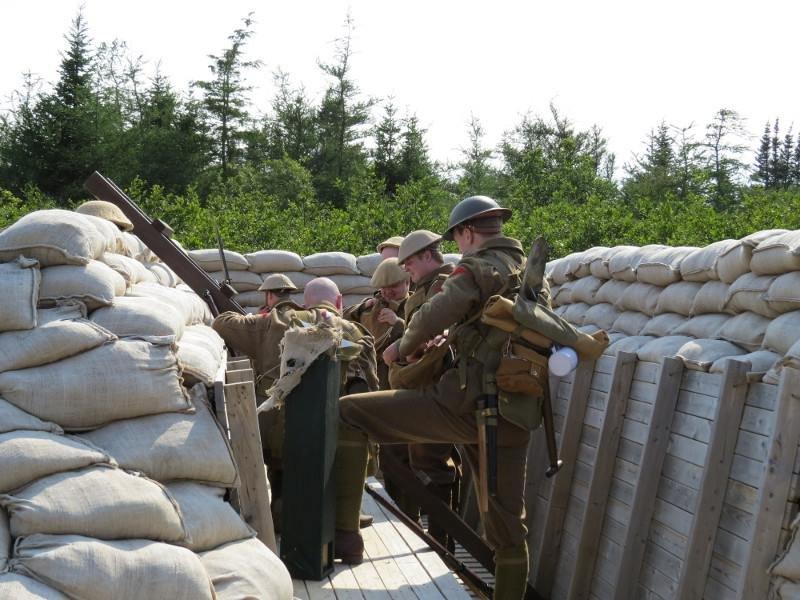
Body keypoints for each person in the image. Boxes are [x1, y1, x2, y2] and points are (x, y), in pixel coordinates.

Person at [339, 196, 544, 598]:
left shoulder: (477, 267)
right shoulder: (528, 272)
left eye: (458, 237)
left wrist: (401, 346)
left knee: (349, 413)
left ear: (467, 232)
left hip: (464, 403)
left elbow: (437, 312)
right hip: (515, 409)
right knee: (507, 525)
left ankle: (344, 535)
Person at [213, 278, 379, 563]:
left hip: (280, 442)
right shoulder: (357, 334)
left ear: (305, 302)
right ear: (339, 303)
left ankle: (282, 512)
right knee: (353, 437)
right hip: (337, 446)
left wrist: (261, 317)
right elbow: (371, 390)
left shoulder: (274, 322)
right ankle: (346, 532)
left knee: (280, 446)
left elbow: (222, 322)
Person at [392, 229, 457, 545]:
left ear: (428, 256)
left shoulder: (444, 287)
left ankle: (441, 545)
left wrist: (406, 353)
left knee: (431, 464)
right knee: (419, 460)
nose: (405, 269)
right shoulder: (427, 287)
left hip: (438, 382)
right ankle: (431, 538)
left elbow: (439, 338)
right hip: (424, 380)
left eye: (410, 262)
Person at [344, 258, 410, 389]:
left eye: (394, 286)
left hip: (395, 374)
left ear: (407, 282)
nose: (388, 291)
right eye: (384, 287)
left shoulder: (415, 305)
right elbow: (339, 318)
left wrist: (397, 322)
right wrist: (362, 307)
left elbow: (421, 335)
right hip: (368, 372)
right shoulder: (372, 304)